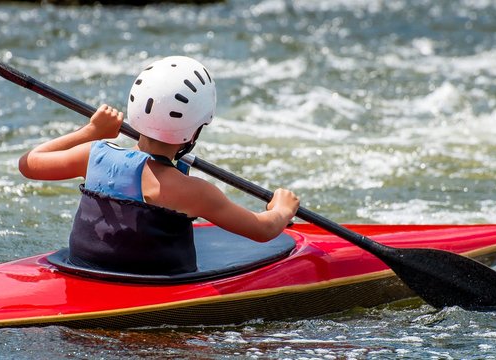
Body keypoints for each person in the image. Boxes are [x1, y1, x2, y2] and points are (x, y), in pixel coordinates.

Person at [19, 56, 299, 275]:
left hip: (87, 269)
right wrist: (282, 209)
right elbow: (263, 230)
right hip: (150, 282)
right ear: (193, 132)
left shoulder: (93, 155)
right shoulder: (194, 192)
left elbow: (28, 164)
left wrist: (90, 131)